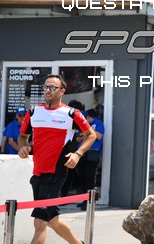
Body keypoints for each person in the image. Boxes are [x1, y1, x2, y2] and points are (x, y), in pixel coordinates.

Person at [18, 74, 96, 244]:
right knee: (52, 220)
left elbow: (91, 135)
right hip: (37, 174)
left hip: (56, 174)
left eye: (52, 87)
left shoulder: (71, 113)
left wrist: (78, 154)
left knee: (40, 222)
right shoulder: (33, 112)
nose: (47, 90)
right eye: (45, 87)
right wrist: (23, 147)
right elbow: (23, 137)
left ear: (62, 91)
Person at [76, 108, 105, 210]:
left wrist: (89, 129)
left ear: (88, 117)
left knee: (90, 178)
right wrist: (82, 136)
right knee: (82, 177)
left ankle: (89, 202)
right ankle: (84, 200)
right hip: (82, 153)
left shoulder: (98, 123)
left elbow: (99, 136)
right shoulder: (82, 125)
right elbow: (77, 138)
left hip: (92, 153)